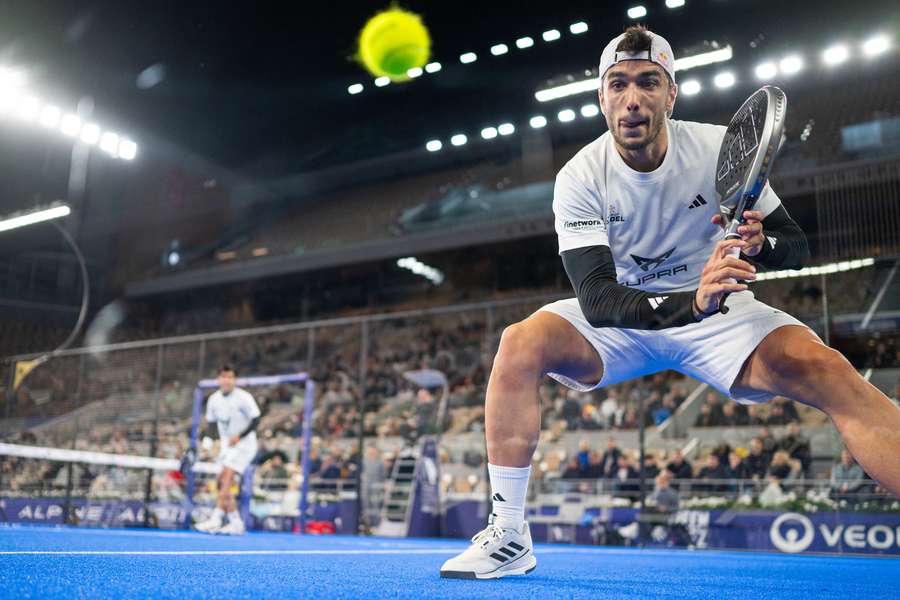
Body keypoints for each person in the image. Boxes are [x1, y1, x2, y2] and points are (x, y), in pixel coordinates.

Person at [440, 26, 900, 580]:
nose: (632, 98)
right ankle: (509, 535)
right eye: (618, 85)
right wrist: (691, 303)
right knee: (520, 342)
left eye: (647, 82)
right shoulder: (580, 177)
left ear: (671, 93)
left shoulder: (717, 148)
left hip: (719, 314)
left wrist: (762, 244)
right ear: (602, 97)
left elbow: (795, 247)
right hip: (632, 315)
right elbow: (600, 299)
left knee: (829, 370)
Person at [193, 365, 261, 535]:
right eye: (223, 377)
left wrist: (240, 435)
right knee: (221, 482)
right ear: (219, 379)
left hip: (245, 445)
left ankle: (216, 518)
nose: (226, 380)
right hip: (226, 446)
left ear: (234, 380)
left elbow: (256, 418)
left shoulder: (244, 397)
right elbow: (211, 426)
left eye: (230, 377)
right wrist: (207, 446)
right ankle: (236, 522)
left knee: (227, 478)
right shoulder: (214, 400)